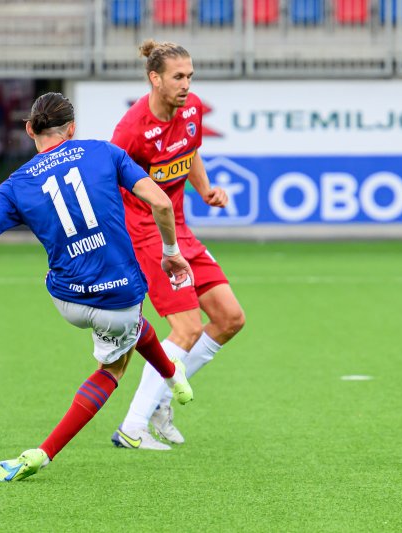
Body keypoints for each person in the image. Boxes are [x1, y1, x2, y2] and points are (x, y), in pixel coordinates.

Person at [0, 92, 195, 481]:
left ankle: (172, 375)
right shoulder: (105, 153)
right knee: (115, 364)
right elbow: (163, 204)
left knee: (125, 320)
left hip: (66, 299)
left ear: (29, 129)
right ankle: (42, 453)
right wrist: (171, 252)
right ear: (72, 128)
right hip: (118, 297)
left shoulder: (15, 184)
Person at [109, 40, 246, 451]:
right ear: (155, 78)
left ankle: (159, 402)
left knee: (229, 318)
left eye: (190, 76)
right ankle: (132, 427)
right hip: (146, 235)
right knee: (186, 328)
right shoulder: (130, 130)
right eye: (178, 77)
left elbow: (191, 151)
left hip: (179, 229)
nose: (187, 84)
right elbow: (106, 185)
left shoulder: (191, 109)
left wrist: (204, 191)